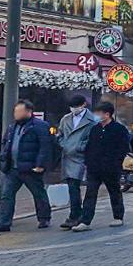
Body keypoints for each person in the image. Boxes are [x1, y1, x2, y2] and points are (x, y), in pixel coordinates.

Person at [0, 99, 53, 233]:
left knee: (38, 194)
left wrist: (40, 164)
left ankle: (44, 218)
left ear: (28, 112)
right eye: (15, 111)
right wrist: (3, 158)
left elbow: (45, 146)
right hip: (12, 167)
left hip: (30, 168)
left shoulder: (39, 126)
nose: (16, 114)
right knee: (6, 195)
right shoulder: (13, 126)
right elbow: (6, 143)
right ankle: (3, 222)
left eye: (19, 111)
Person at [73, 101, 130, 232]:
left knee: (114, 191)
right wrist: (88, 162)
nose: (96, 116)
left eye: (98, 113)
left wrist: (116, 163)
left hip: (111, 168)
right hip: (94, 168)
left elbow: (123, 148)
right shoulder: (95, 129)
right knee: (90, 193)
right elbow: (90, 147)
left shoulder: (119, 129)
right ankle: (85, 221)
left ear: (107, 114)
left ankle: (118, 216)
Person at [56, 95, 97, 229]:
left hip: (83, 157)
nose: (74, 109)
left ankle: (77, 215)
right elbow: (60, 134)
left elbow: (93, 138)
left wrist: (80, 147)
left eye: (76, 106)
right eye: (72, 107)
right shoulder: (66, 119)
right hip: (68, 156)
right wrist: (64, 144)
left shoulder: (92, 120)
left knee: (81, 187)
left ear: (84, 105)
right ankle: (75, 215)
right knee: (72, 187)